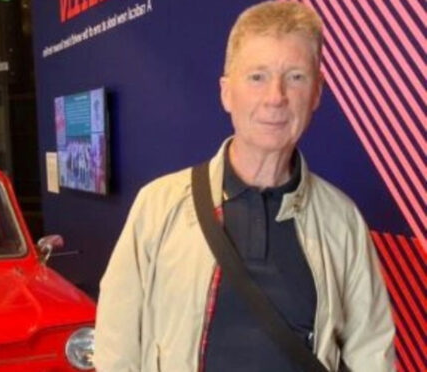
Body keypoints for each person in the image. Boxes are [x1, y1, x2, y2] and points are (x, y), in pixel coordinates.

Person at [94, 2, 395, 371]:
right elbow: (117, 345)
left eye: (296, 77)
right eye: (257, 77)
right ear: (225, 92)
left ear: (317, 93)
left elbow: (371, 351)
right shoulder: (158, 206)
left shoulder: (342, 220)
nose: (275, 97)